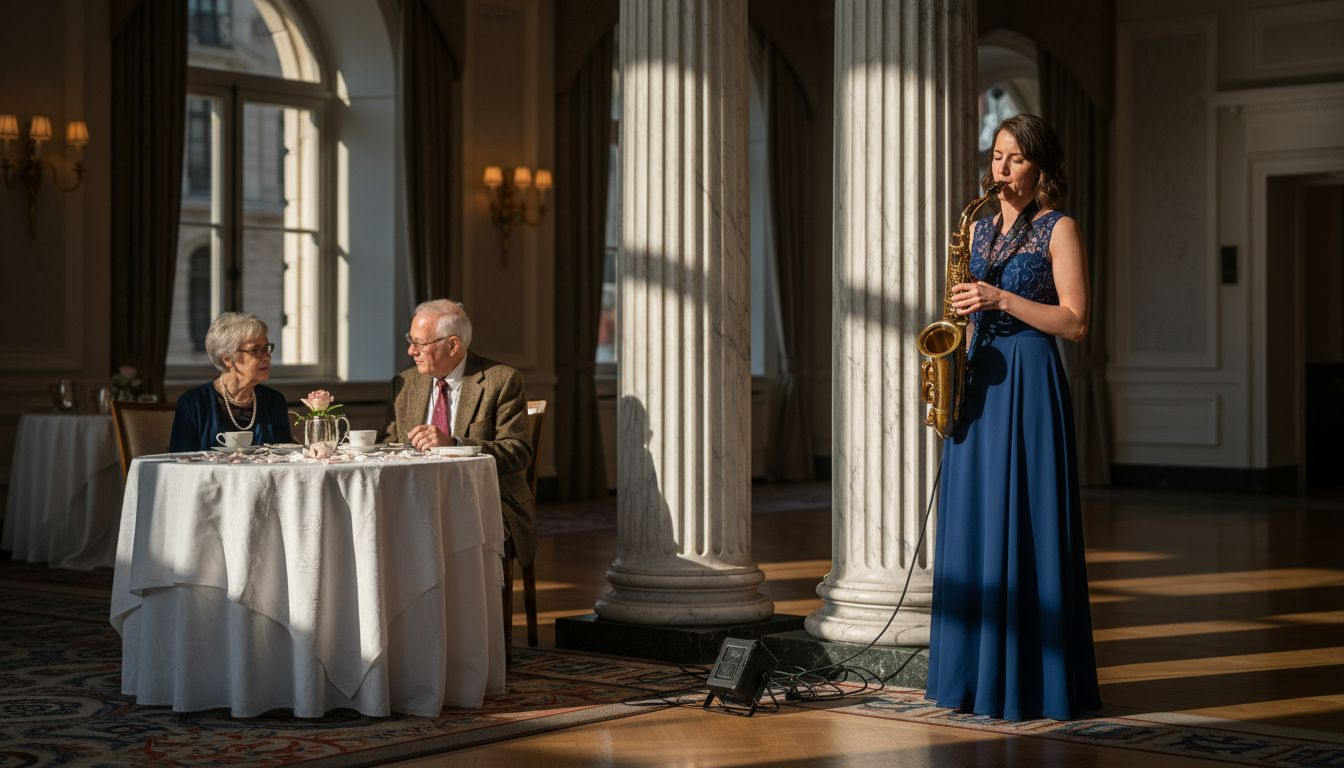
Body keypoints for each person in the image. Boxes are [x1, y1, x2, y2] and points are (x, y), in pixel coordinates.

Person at [925, 113, 1102, 721]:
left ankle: (1030, 683)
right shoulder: (976, 229)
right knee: (973, 521)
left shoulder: (1060, 228)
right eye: (997, 156)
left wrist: (1000, 297)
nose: (1000, 169)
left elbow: (1076, 322)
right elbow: (971, 305)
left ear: (1041, 168)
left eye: (1015, 159)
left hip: (1028, 380)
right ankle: (971, 680)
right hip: (978, 378)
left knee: (1026, 521)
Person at [384, 299, 536, 567]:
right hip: (416, 499)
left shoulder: (501, 381)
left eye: (419, 343)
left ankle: (462, 607)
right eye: (411, 340)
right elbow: (389, 445)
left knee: (437, 527)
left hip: (485, 500)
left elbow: (517, 451)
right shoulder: (405, 384)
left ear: (452, 345)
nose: (411, 351)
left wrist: (453, 444)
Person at [169, 312, 294, 452]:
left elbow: (287, 457)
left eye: (266, 348)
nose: (267, 357)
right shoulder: (194, 403)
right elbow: (179, 460)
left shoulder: (274, 401)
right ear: (228, 359)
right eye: (255, 350)